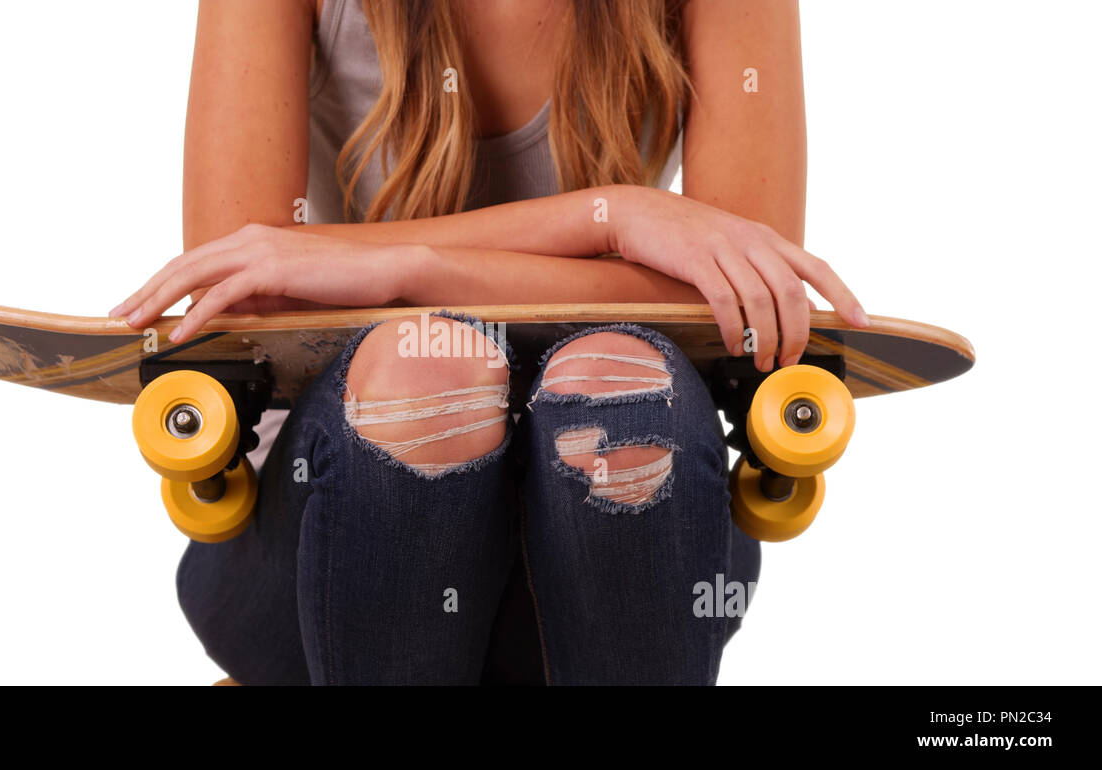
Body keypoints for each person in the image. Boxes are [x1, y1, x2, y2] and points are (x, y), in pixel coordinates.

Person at [110, 0, 867, 685]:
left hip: (607, 556)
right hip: (316, 548)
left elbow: (745, 299)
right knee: (429, 371)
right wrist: (605, 219)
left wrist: (403, 266)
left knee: (620, 385)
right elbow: (241, 287)